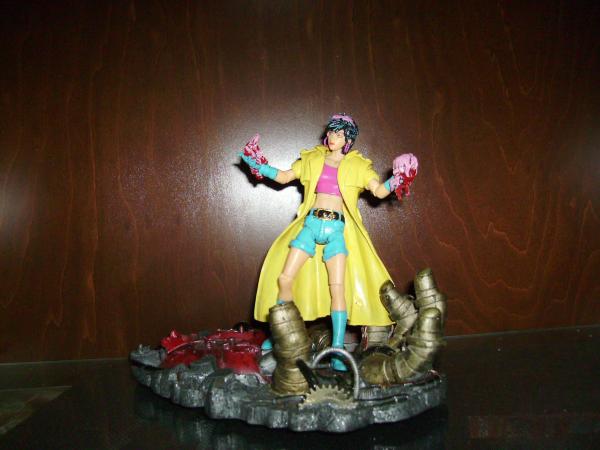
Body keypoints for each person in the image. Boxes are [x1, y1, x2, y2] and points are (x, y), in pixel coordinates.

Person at [240, 114, 409, 371]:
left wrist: (399, 178)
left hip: (336, 230)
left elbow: (378, 191)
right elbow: (284, 176)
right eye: (331, 132)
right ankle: (282, 335)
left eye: (339, 134)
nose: (332, 137)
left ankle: (338, 350)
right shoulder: (313, 159)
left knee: (337, 290)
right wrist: (257, 165)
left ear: (348, 139)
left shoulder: (358, 166)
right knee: (285, 279)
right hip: (311, 224)